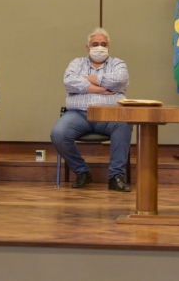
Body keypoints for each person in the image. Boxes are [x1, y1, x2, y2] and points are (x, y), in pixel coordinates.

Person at [50, 28, 131, 192]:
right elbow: (70, 82)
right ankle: (83, 172)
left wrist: (86, 80)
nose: (99, 47)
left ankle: (116, 176)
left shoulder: (118, 63)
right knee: (58, 133)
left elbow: (119, 80)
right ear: (87, 47)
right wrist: (101, 89)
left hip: (110, 114)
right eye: (95, 44)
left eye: (103, 44)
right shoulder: (76, 63)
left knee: (124, 125)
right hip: (78, 113)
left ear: (109, 47)